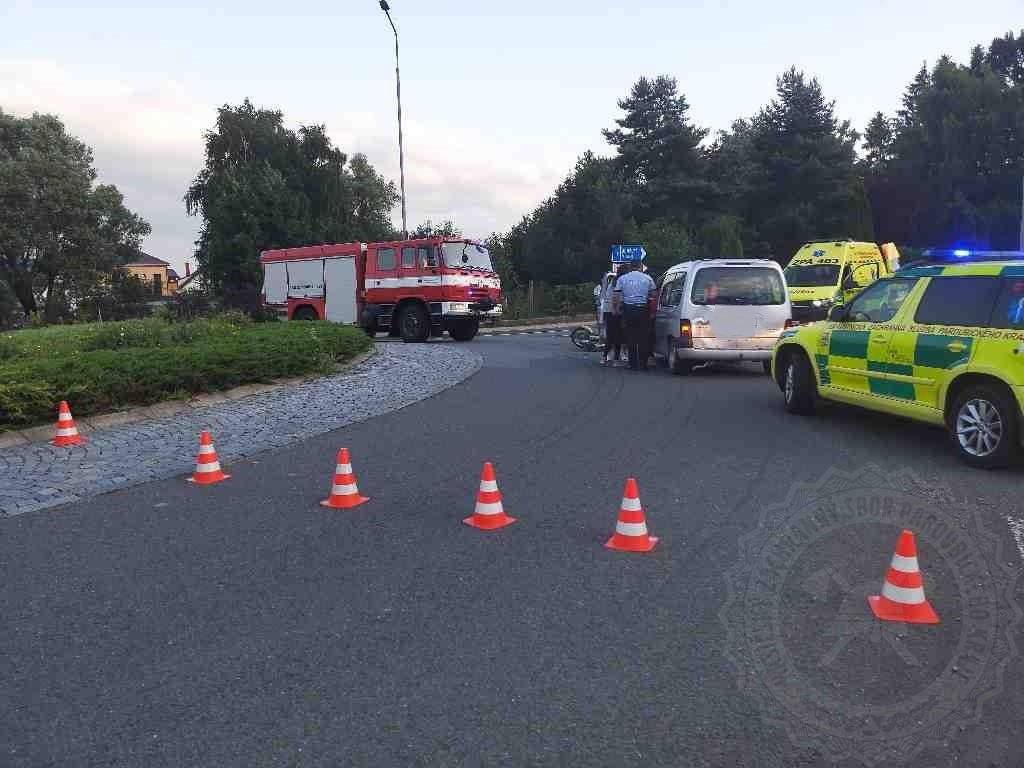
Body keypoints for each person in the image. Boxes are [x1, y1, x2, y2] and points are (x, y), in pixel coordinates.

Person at [613, 260, 657, 370]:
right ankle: (643, 363)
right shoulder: (648, 278)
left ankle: (632, 364)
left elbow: (616, 295)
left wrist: (616, 309)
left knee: (630, 337)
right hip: (643, 309)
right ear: (640, 267)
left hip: (628, 310)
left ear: (630, 267)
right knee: (643, 337)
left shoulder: (622, 279)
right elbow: (654, 294)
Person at [599, 272, 623, 366]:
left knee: (610, 336)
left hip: (608, 312)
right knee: (618, 337)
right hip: (615, 312)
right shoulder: (619, 284)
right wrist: (616, 310)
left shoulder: (612, 283)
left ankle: (604, 357)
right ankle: (615, 360)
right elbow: (616, 299)